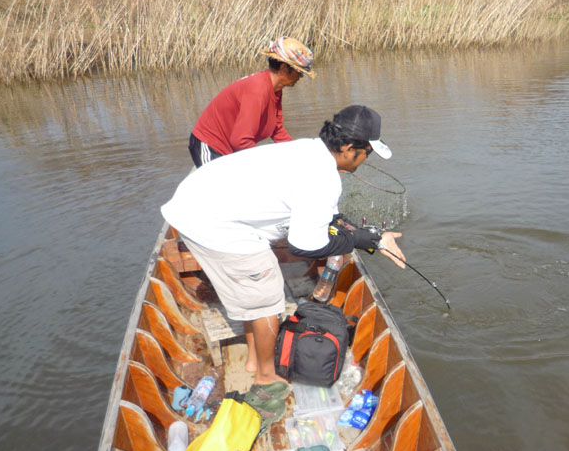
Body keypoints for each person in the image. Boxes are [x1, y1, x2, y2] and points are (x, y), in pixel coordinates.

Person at [162, 105, 405, 387]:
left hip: (196, 205)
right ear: (350, 148)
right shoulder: (321, 177)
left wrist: (373, 239)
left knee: (254, 290)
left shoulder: (310, 151)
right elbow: (305, 245)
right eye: (368, 153)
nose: (366, 160)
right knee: (267, 293)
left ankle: (254, 359)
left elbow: (331, 218)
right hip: (210, 222)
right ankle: (266, 375)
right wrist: (362, 241)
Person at [188, 36, 315, 167]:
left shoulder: (275, 89)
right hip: (210, 145)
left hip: (230, 149)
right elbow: (240, 140)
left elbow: (276, 130)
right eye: (299, 71)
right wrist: (268, 164)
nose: (301, 76)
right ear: (283, 68)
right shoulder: (258, 90)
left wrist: (297, 153)